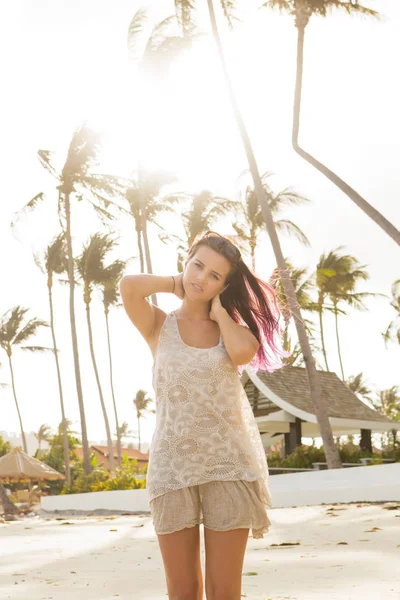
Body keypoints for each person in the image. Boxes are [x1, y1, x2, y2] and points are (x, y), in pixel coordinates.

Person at [120, 231, 285, 600]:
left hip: (229, 465)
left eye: (215, 275)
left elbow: (244, 353)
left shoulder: (230, 332)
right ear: (186, 258)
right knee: (183, 593)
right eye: (198, 265)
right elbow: (129, 286)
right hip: (172, 468)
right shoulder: (158, 325)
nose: (202, 278)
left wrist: (221, 313)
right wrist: (176, 284)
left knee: (224, 593)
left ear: (224, 285)